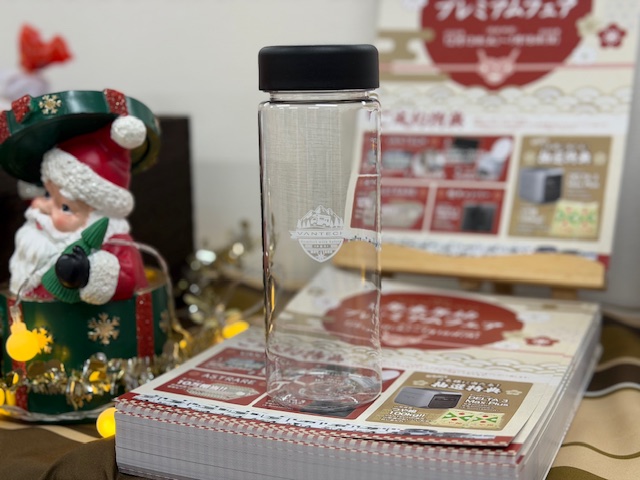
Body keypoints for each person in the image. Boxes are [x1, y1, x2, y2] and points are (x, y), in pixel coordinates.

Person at [8, 116, 149, 304]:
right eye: (48, 195)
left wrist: (89, 274)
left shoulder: (115, 244)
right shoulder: (43, 231)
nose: (45, 208)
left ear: (97, 217)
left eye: (65, 207)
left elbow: (128, 277)